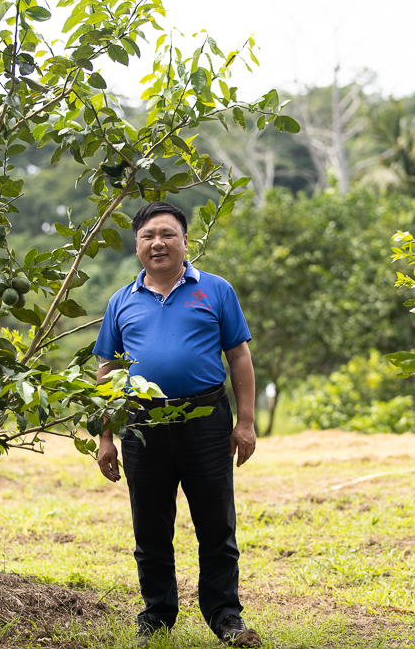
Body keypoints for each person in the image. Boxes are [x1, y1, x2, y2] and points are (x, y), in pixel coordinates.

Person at [94, 201, 261, 647]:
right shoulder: (121, 301)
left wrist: (245, 422)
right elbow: (107, 371)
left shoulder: (216, 290)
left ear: (185, 241)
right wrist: (105, 436)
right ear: (137, 246)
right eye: (148, 236)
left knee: (216, 525)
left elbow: (238, 355)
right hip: (142, 424)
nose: (158, 243)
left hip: (206, 420)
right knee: (150, 527)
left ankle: (226, 617)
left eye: (167, 234)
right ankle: (156, 616)